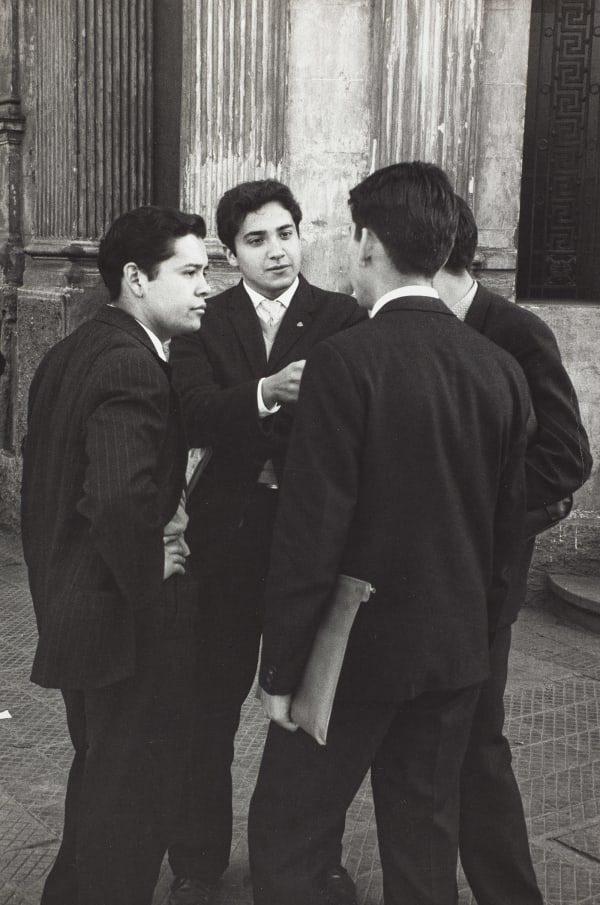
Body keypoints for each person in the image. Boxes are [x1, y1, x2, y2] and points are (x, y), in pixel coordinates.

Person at [247, 161, 532, 905]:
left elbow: (311, 534)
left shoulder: (345, 363)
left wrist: (280, 671)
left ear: (368, 243)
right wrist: (481, 629)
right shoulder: (499, 369)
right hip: (455, 650)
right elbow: (510, 526)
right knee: (425, 841)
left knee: (289, 831)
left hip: (350, 656)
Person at [168, 179, 365, 905]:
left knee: (311, 713)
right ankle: (196, 859)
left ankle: (312, 858)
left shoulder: (340, 315)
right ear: (230, 252)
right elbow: (192, 412)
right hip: (223, 547)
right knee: (206, 707)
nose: (277, 250)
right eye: (257, 239)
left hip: (308, 545)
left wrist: (243, 416)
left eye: (286, 232)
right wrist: (267, 392)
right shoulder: (203, 318)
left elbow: (343, 423)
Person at [20, 206, 211, 905]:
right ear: (135, 277)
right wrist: (156, 584)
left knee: (104, 785)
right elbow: (119, 500)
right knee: (130, 809)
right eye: (190, 271)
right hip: (121, 626)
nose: (205, 288)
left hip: (75, 610)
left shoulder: (74, 350)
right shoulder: (132, 363)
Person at [433, 196, 593, 905]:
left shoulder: (517, 333)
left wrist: (473, 516)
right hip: (415, 580)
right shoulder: (405, 326)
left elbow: (565, 458)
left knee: (477, 740)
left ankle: (509, 891)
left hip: (485, 577)